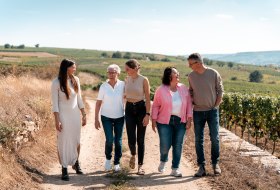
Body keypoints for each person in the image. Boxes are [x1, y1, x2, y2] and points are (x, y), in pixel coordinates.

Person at [151, 67, 192, 177]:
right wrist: (153, 120)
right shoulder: (161, 90)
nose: (178, 74)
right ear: (169, 76)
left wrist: (189, 119)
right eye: (175, 73)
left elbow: (189, 105)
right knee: (165, 145)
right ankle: (163, 160)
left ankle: (175, 169)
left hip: (180, 121)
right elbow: (155, 105)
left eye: (178, 72)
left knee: (178, 145)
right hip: (164, 121)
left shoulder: (183, 88)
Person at [187, 53, 224, 177]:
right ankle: (201, 167)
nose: (189, 66)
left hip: (212, 111)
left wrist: (215, 106)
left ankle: (215, 164)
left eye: (191, 63)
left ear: (198, 63)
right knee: (199, 140)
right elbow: (191, 90)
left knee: (215, 138)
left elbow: (220, 90)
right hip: (197, 111)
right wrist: (192, 100)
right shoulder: (191, 76)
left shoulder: (213, 73)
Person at [51, 59, 86, 181]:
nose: (75, 68)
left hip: (75, 115)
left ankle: (76, 163)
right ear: (66, 68)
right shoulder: (56, 82)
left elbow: (79, 98)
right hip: (63, 116)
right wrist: (57, 120)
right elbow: (54, 104)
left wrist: (84, 113)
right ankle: (64, 168)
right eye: (73, 67)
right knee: (64, 141)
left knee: (76, 140)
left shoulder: (76, 80)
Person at [95, 64, 125, 172]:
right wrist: (96, 119)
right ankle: (108, 159)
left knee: (118, 141)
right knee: (109, 140)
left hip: (120, 116)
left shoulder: (123, 85)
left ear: (118, 73)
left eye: (113, 72)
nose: (111, 74)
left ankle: (117, 163)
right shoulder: (103, 86)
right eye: (109, 72)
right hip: (106, 117)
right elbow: (98, 103)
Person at [124, 59, 151, 175]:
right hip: (129, 108)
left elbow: (148, 99)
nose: (125, 71)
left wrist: (147, 114)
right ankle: (133, 155)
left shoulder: (144, 80)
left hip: (141, 108)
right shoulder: (126, 79)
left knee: (140, 139)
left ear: (135, 68)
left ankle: (140, 166)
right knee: (131, 138)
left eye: (127, 69)